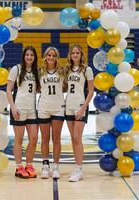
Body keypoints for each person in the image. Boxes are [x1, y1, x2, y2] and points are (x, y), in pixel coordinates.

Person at [6, 46, 40, 178]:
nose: (29, 57)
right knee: (19, 139)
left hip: (32, 110)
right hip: (19, 109)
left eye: (32, 55)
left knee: (33, 138)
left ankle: (29, 165)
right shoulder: (16, 69)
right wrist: (13, 107)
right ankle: (19, 167)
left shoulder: (37, 71)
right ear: (24, 56)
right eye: (27, 55)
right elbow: (8, 90)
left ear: (34, 57)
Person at [65, 45, 94, 182]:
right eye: (73, 53)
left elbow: (91, 91)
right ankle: (77, 167)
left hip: (80, 106)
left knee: (77, 138)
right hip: (68, 107)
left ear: (81, 54)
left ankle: (78, 168)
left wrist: (83, 107)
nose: (75, 55)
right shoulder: (67, 69)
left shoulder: (87, 70)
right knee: (73, 138)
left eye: (77, 52)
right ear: (70, 55)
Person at [38, 47, 65, 179]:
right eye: (49, 55)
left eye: (54, 55)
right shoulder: (40, 72)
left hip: (58, 108)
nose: (51, 58)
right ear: (45, 57)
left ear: (57, 58)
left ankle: (55, 166)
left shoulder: (62, 71)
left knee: (56, 139)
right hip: (43, 107)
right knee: (44, 138)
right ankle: (45, 166)